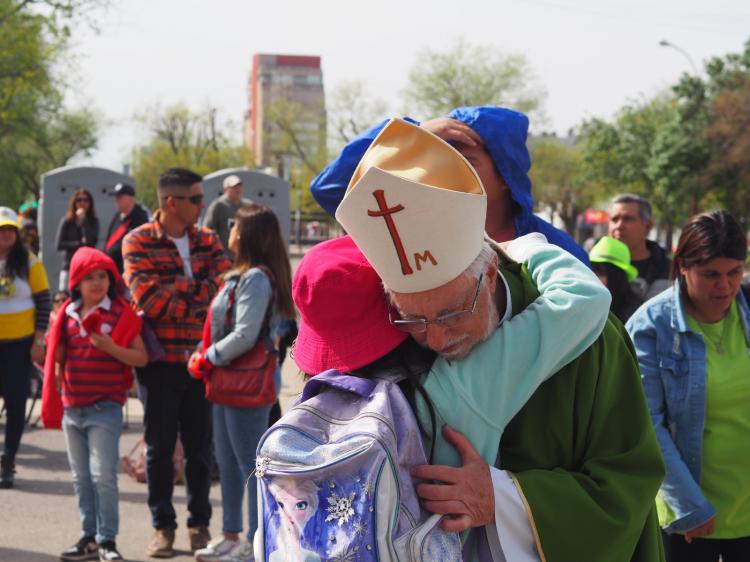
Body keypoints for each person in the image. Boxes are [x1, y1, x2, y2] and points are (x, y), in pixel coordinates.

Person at [332, 118, 666, 561]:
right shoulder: (391, 338)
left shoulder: (592, 343)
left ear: (489, 274)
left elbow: (629, 483)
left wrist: (505, 499)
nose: (433, 337)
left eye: (451, 313)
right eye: (413, 318)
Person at [309, 105, 589, 264]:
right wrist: (408, 135)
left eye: (467, 161)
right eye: (443, 158)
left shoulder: (556, 249)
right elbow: (330, 189)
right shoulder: (412, 230)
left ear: (506, 177)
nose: (451, 171)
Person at [626, 210, 750, 561]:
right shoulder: (650, 327)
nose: (724, 286)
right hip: (691, 518)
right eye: (710, 274)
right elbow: (647, 425)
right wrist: (688, 505)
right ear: (683, 266)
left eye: (734, 273)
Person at [123, 167, 232, 558]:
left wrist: (179, 290)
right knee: (159, 448)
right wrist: (200, 294)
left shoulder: (207, 238)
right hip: (159, 364)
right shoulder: (136, 241)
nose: (203, 205)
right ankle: (163, 527)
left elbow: (226, 288)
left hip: (202, 361)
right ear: (172, 202)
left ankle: (199, 525)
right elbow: (148, 301)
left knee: (201, 449)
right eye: (196, 199)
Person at [189, 204, 295, 562]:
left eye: (236, 224)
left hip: (242, 382)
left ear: (248, 233)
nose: (229, 228)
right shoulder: (243, 275)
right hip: (227, 381)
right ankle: (231, 535)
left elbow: (246, 335)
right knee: (230, 461)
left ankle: (255, 541)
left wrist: (207, 357)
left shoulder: (256, 278)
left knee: (250, 465)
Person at [41, 247, 147, 562]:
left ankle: (107, 541)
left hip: (105, 408)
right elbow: (57, 360)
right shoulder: (67, 314)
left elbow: (140, 356)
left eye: (102, 276)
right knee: (81, 477)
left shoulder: (119, 312)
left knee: (102, 475)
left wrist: (111, 347)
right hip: (73, 408)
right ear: (76, 282)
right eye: (89, 278)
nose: (96, 283)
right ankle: (89, 538)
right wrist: (52, 337)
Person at [0, 207, 51, 488]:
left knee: (16, 401)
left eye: (10, 230)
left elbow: (44, 302)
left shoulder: (29, 263)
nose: (5, 235)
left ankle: (8, 460)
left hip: (20, 345)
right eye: (1, 230)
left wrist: (39, 340)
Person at [608, 193, 671, 300]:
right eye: (614, 219)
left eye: (627, 219)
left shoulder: (669, 271)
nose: (619, 226)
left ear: (648, 225)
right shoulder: (593, 265)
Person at [589, 235, 644, 323]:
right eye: (591, 270)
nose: (593, 277)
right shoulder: (583, 303)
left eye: (599, 271)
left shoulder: (636, 316)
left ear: (617, 277)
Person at [56, 188, 100, 291]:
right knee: (65, 296)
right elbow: (59, 244)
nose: (82, 203)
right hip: (69, 266)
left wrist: (84, 220)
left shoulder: (93, 221)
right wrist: (79, 243)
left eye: (85, 200)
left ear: (90, 203)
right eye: (79, 200)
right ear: (74, 202)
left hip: (87, 267)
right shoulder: (67, 221)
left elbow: (91, 242)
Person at [202, 175, 253, 259]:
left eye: (239, 186)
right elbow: (208, 229)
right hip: (225, 255)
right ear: (226, 189)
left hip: (244, 255)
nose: (237, 189)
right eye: (234, 187)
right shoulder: (218, 205)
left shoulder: (248, 205)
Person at [104, 183, 149, 274]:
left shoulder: (140, 218)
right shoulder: (118, 215)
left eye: (119, 197)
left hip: (128, 271)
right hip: (113, 269)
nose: (116, 200)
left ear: (130, 198)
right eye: (115, 197)